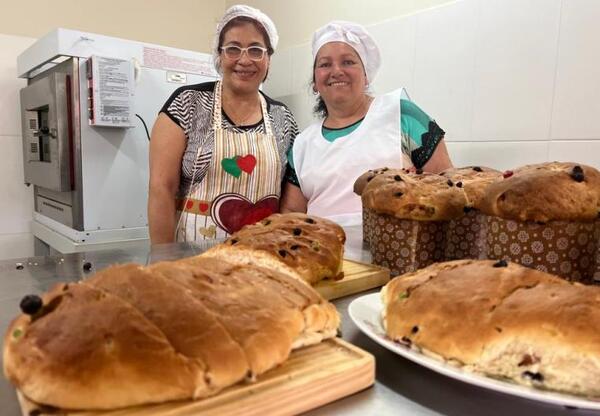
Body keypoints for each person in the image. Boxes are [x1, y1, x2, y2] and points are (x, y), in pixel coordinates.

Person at [148, 5, 299, 244]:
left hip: (260, 256)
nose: (244, 59)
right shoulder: (188, 103)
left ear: (268, 58)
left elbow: (290, 200)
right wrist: (163, 260)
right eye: (233, 49)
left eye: (256, 50)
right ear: (219, 55)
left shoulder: (283, 118)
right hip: (192, 259)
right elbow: (161, 189)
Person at [280, 21, 452, 224]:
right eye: (325, 64)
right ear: (315, 82)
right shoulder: (302, 144)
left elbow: (449, 188)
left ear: (366, 75)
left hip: (396, 251)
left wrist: (420, 187)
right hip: (322, 249)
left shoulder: (402, 114)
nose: (336, 71)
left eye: (348, 62)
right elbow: (291, 212)